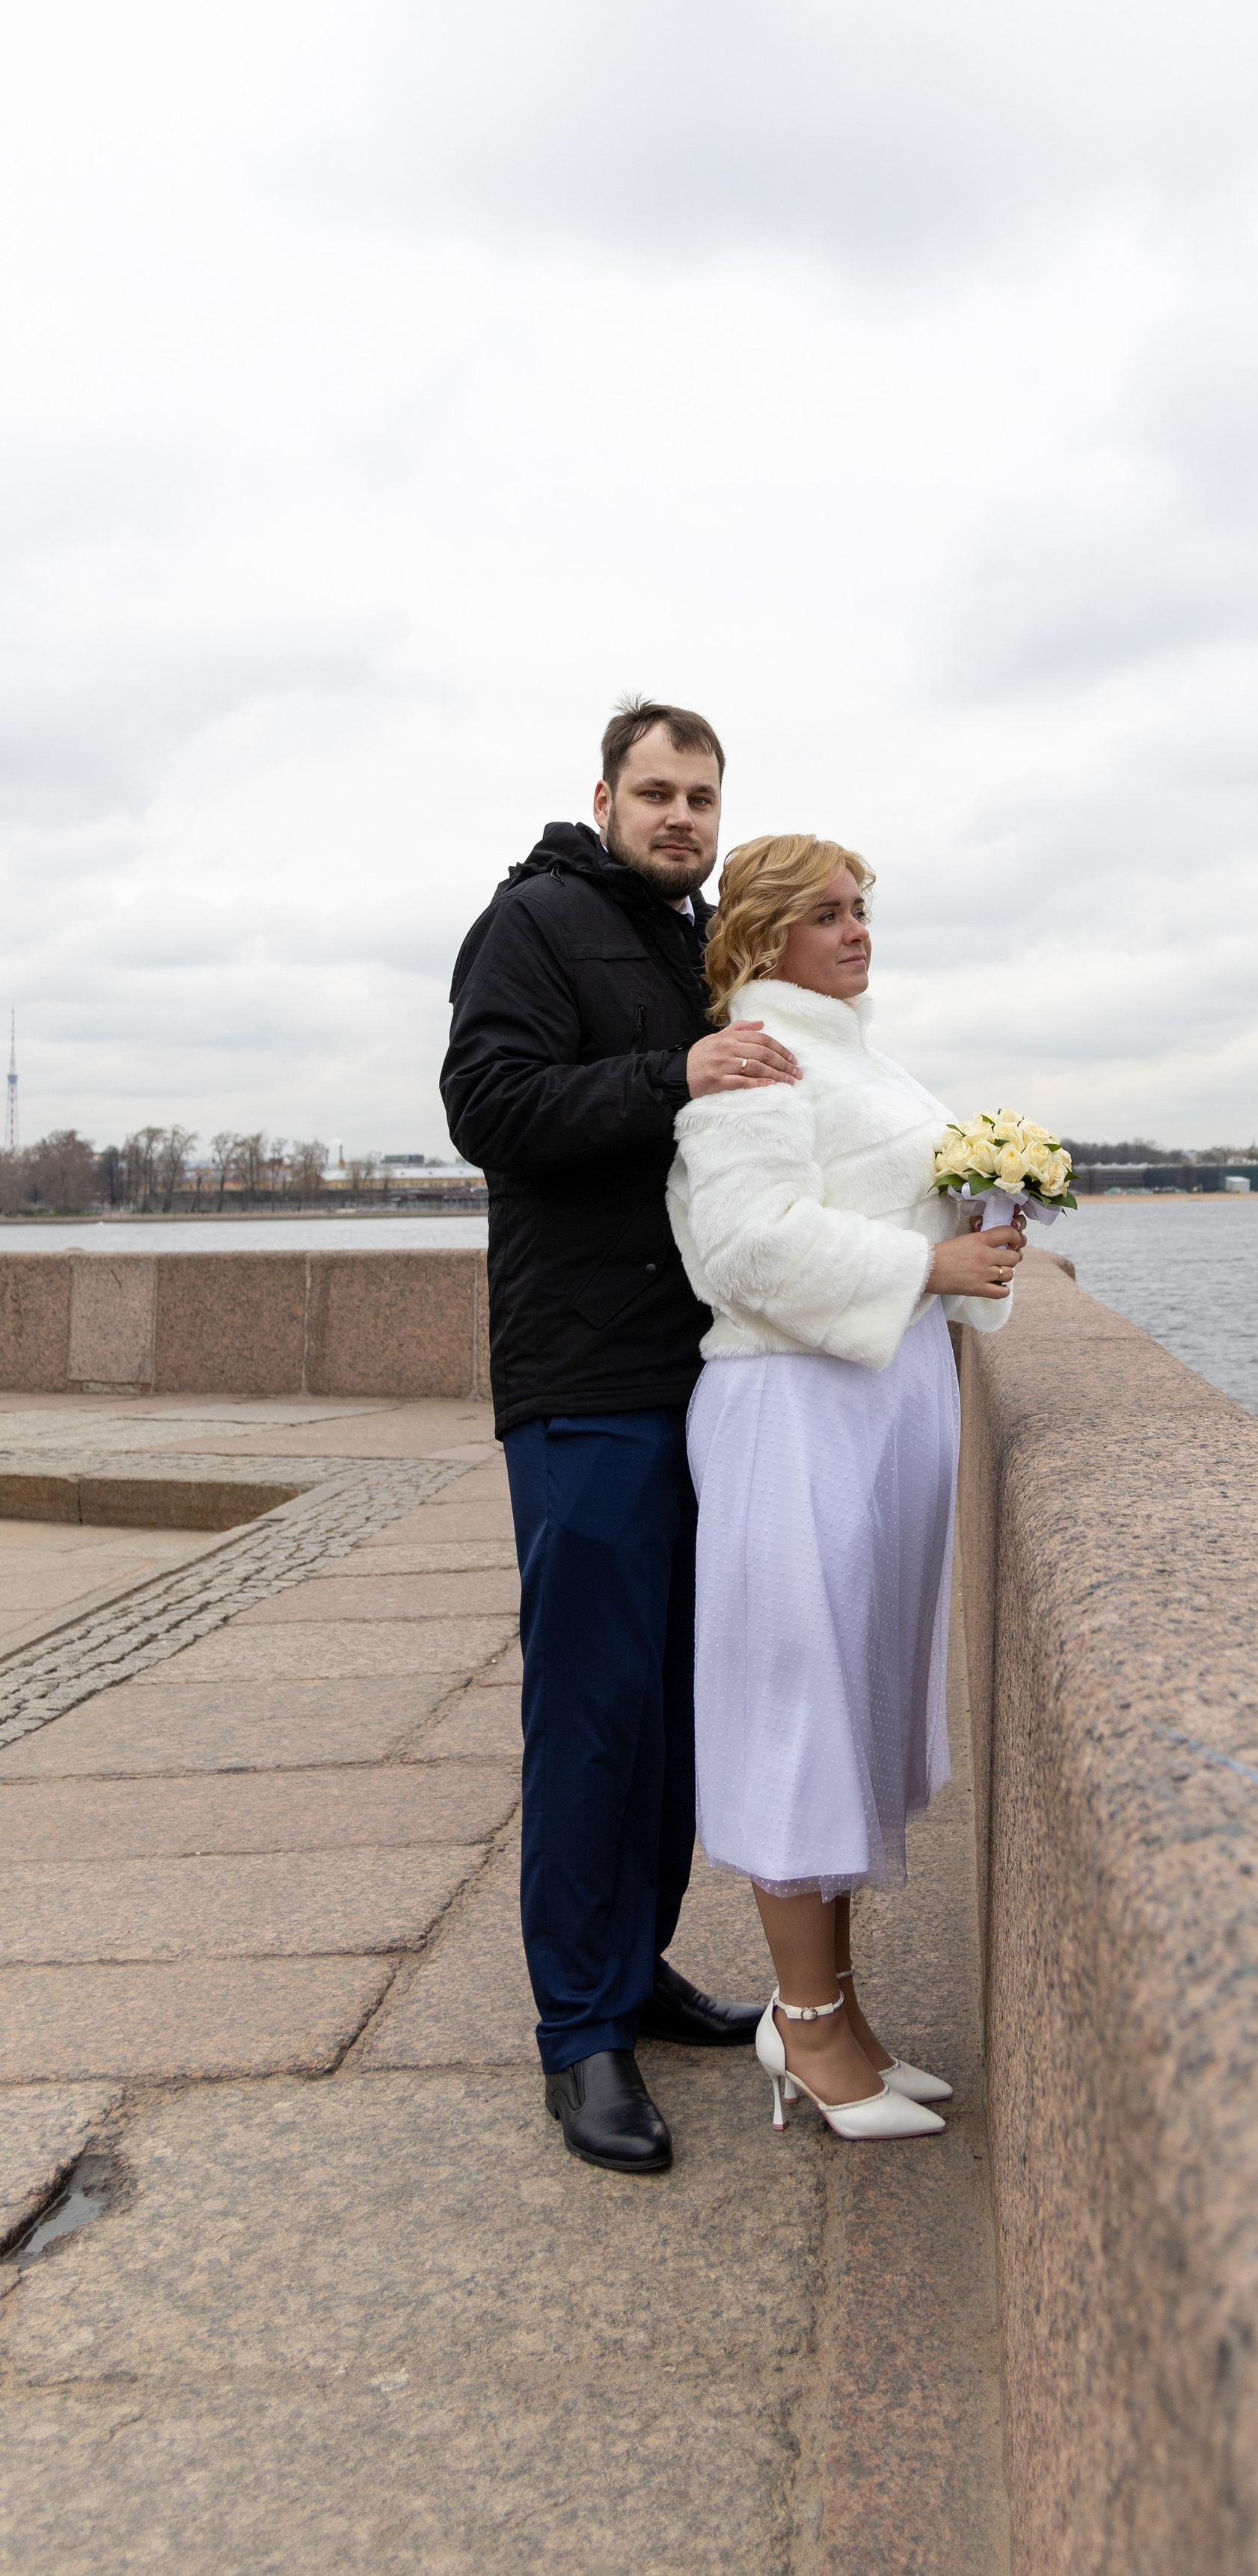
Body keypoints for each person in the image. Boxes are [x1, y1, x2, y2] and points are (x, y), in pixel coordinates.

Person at [441, 698, 801, 2177]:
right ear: (603, 795)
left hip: (696, 1370)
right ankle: (577, 2033)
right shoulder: (527, 921)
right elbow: (489, 1103)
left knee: (666, 1705)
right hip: (582, 1374)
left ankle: (633, 1967)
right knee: (589, 1708)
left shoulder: (699, 941)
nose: (682, 817)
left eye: (702, 795)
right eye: (656, 791)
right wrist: (676, 1073)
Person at [666, 833, 1025, 2141]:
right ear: (765, 939)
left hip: (875, 1411)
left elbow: (886, 1212)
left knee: (854, 1707)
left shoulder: (863, 1055)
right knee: (799, 1712)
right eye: (827, 913)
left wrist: (977, 1231)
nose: (858, 930)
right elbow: (746, 1246)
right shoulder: (763, 1060)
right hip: (794, 1414)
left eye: (863, 908)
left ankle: (837, 2011)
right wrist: (927, 1273)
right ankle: (806, 2032)